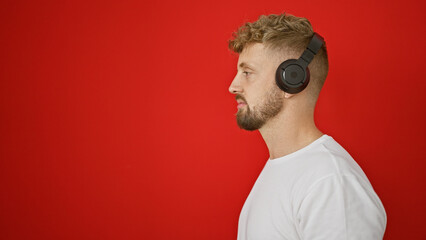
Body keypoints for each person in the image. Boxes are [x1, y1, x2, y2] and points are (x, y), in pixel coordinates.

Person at [228, 13, 387, 239]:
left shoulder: (330, 184)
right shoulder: (284, 169)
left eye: (247, 73)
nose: (233, 86)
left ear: (291, 79)